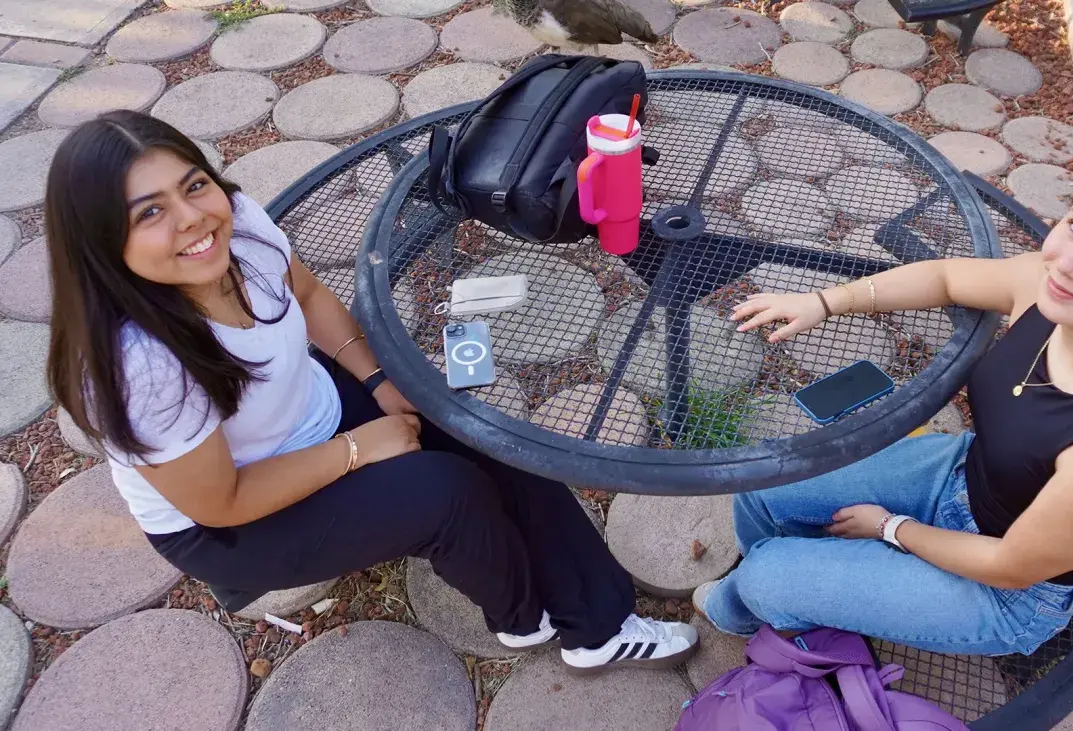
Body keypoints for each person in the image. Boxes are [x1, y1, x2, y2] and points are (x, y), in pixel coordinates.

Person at [43, 110, 697, 675]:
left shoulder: (236, 224)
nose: (193, 218)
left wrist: (379, 382)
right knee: (449, 492)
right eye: (150, 212)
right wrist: (359, 449)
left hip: (309, 409)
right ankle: (522, 617)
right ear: (103, 241)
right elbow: (222, 501)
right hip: (232, 519)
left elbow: (306, 294)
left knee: (491, 437)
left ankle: (600, 626)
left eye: (193, 185)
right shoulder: (138, 369)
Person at [694, 149, 1073, 657]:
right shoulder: (1049, 288)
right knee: (763, 486)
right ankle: (802, 586)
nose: (1068, 262)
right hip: (962, 476)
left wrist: (890, 529)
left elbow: (1011, 566)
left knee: (767, 577)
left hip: (1006, 594)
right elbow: (947, 277)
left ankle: (752, 603)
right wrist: (825, 301)